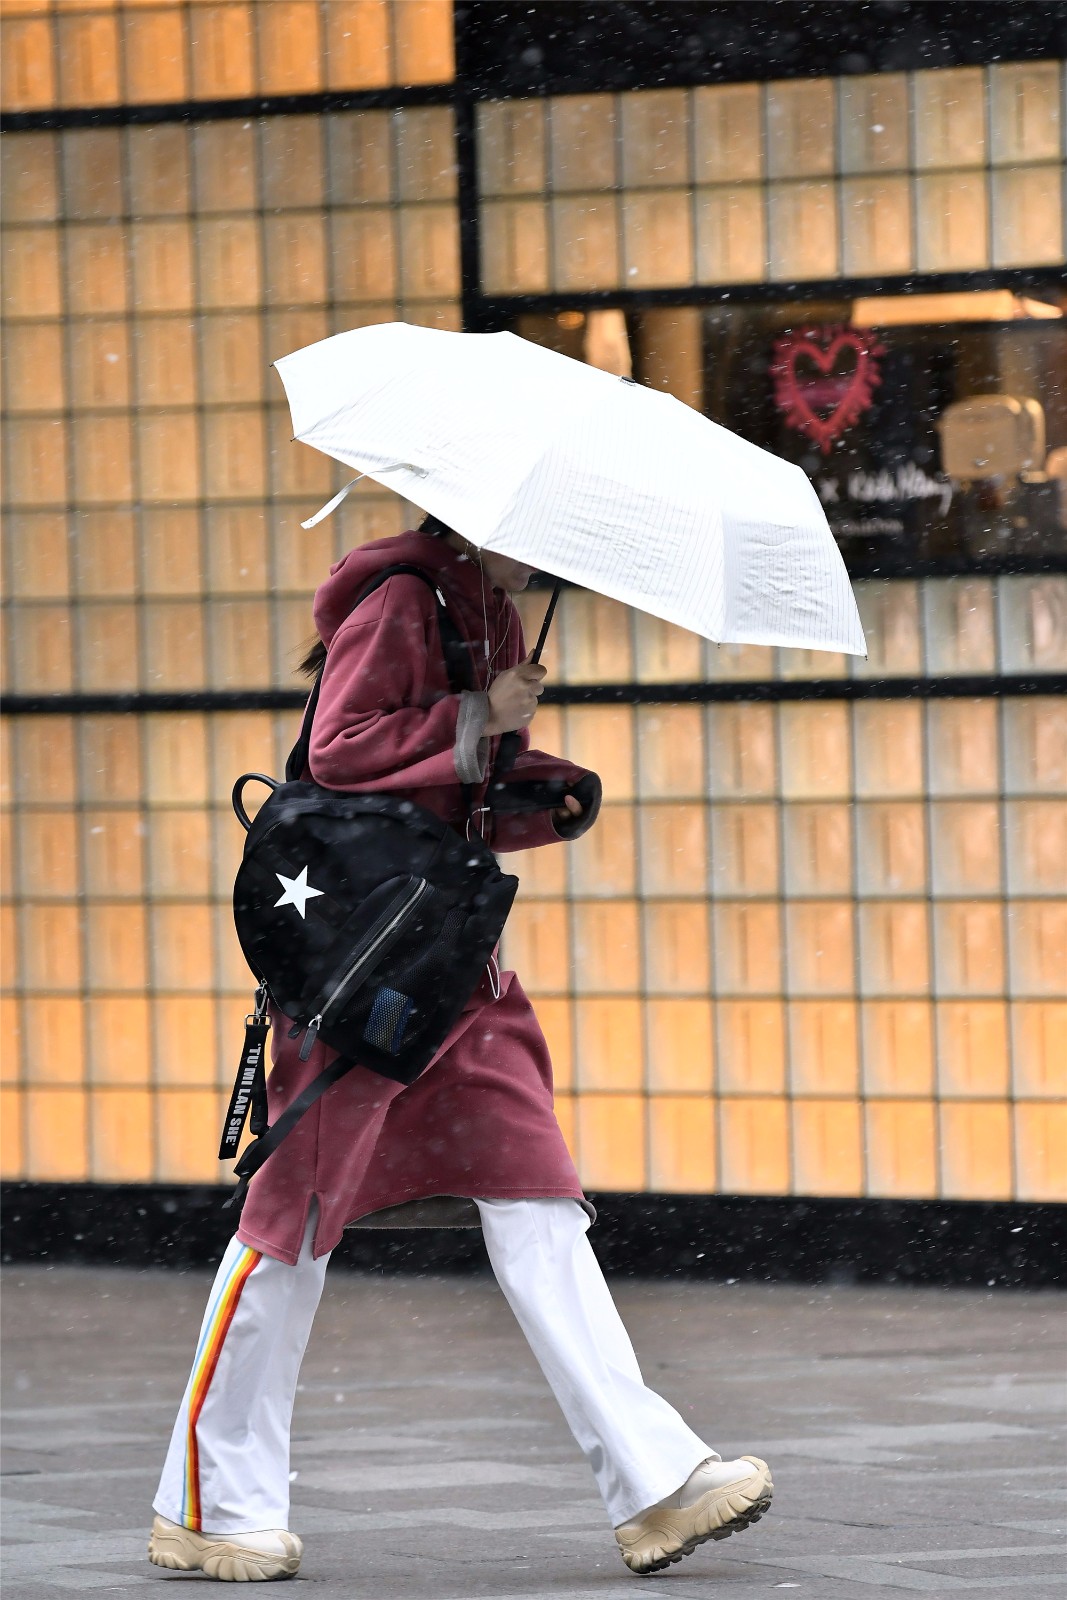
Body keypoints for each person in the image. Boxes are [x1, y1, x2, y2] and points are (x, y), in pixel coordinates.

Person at [147, 518, 773, 1581]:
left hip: (449, 963)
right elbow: (342, 750)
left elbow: (437, 796)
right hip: (366, 969)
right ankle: (206, 1503)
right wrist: (481, 716)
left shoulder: (480, 605)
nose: (568, 550)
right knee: (290, 1223)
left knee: (537, 1198)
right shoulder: (404, 597)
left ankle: (655, 1479)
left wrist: (539, 782)